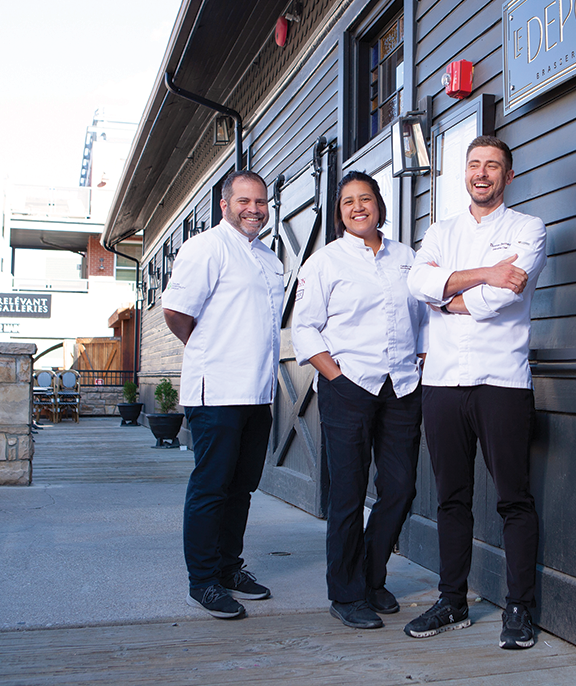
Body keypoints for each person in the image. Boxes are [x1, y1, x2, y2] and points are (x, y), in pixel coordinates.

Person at [404, 135, 546, 649]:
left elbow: (507, 297)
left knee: (514, 499)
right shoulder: (440, 231)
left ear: (508, 177)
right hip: (442, 381)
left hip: (501, 381)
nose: (482, 173)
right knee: (450, 500)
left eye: (493, 166)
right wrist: (484, 273)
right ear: (463, 173)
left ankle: (520, 610)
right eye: (474, 164)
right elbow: (418, 282)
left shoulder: (529, 228)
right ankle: (451, 602)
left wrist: (450, 296)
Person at [292, 172, 427, 630]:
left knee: (401, 487)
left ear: (378, 205)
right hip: (348, 386)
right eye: (347, 201)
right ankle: (346, 594)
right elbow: (304, 327)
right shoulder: (324, 261)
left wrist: (422, 358)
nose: (356, 207)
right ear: (340, 213)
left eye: (364, 198)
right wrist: (335, 374)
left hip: (402, 387)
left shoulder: (407, 258)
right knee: (348, 494)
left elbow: (423, 315)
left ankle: (371, 577)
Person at [162, 170, 283, 620]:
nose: (254, 208)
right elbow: (176, 312)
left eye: (261, 201)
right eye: (244, 201)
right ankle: (204, 582)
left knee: (241, 488)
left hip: (258, 391)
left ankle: (230, 568)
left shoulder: (268, 258)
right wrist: (209, 349)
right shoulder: (205, 248)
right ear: (225, 204)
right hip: (217, 392)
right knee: (211, 488)